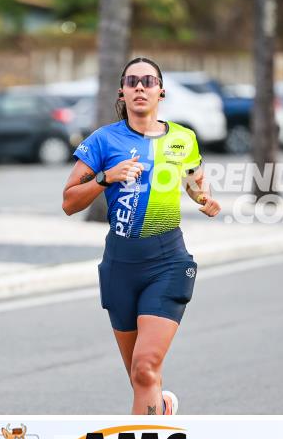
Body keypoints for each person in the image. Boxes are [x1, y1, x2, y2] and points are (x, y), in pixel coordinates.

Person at [62, 57, 220, 419]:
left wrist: (204, 199)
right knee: (140, 378)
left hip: (167, 261)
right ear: (122, 91)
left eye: (148, 81)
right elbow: (69, 202)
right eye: (131, 81)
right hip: (120, 265)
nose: (139, 87)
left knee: (145, 368)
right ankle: (161, 408)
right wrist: (106, 177)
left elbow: (195, 182)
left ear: (160, 91)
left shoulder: (183, 138)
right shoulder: (103, 140)